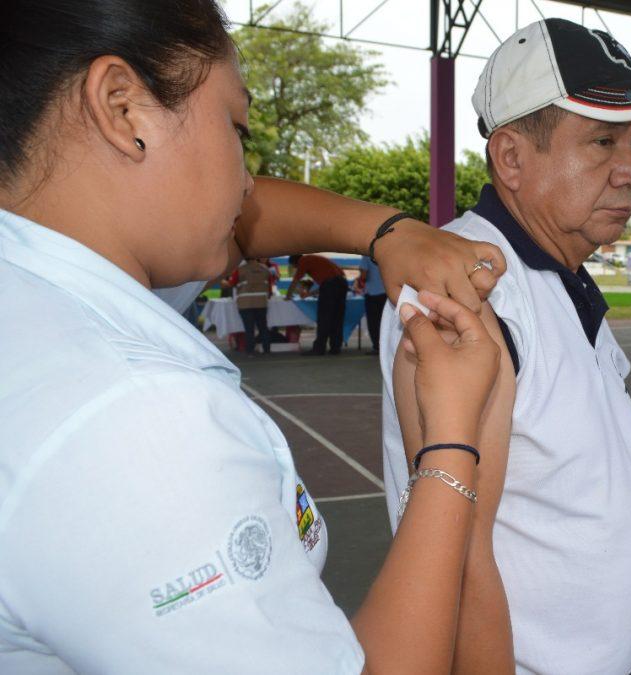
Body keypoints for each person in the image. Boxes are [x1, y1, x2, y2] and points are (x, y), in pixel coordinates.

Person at [0, 1, 513, 671]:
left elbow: (242, 223)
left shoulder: (41, 282)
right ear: (123, 109)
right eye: (235, 126)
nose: (248, 179)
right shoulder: (131, 419)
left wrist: (389, 230)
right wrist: (449, 443)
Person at [381, 18, 631, 675]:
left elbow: (592, 499)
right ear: (511, 158)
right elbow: (459, 561)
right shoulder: (471, 292)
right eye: (603, 141)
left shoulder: (558, 277)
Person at [286, 253, 348, 354]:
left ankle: (319, 348)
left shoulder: (303, 261)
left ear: (295, 263)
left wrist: (288, 296)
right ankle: (335, 347)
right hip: (342, 283)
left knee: (324, 318)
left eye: (294, 266)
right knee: (337, 317)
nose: (296, 268)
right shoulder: (315, 260)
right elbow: (326, 285)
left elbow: (295, 280)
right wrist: (309, 294)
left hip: (331, 285)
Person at [234, 257, 273, 356]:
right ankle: (267, 350)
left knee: (249, 329)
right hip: (261, 302)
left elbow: (232, 283)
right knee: (263, 327)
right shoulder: (265, 269)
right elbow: (270, 286)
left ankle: (250, 352)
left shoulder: (240, 269)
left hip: (245, 303)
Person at [354, 255, 387, 354]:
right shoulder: (384, 253)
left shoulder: (366, 256)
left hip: (373, 293)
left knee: (374, 323)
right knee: (384, 322)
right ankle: (386, 347)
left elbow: (364, 275)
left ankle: (377, 347)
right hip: (386, 293)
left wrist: (358, 282)